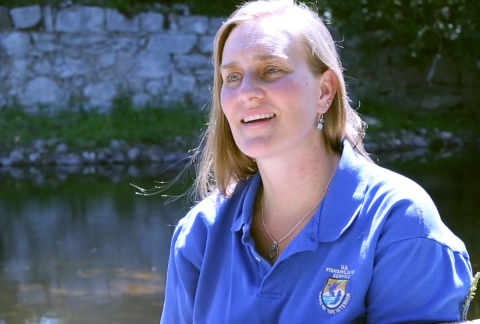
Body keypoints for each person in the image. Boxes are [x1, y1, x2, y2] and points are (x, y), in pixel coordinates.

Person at [160, 0, 473, 323]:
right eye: (233, 77)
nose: (246, 92)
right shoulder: (200, 233)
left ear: (325, 91)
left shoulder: (401, 223)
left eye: (271, 70)